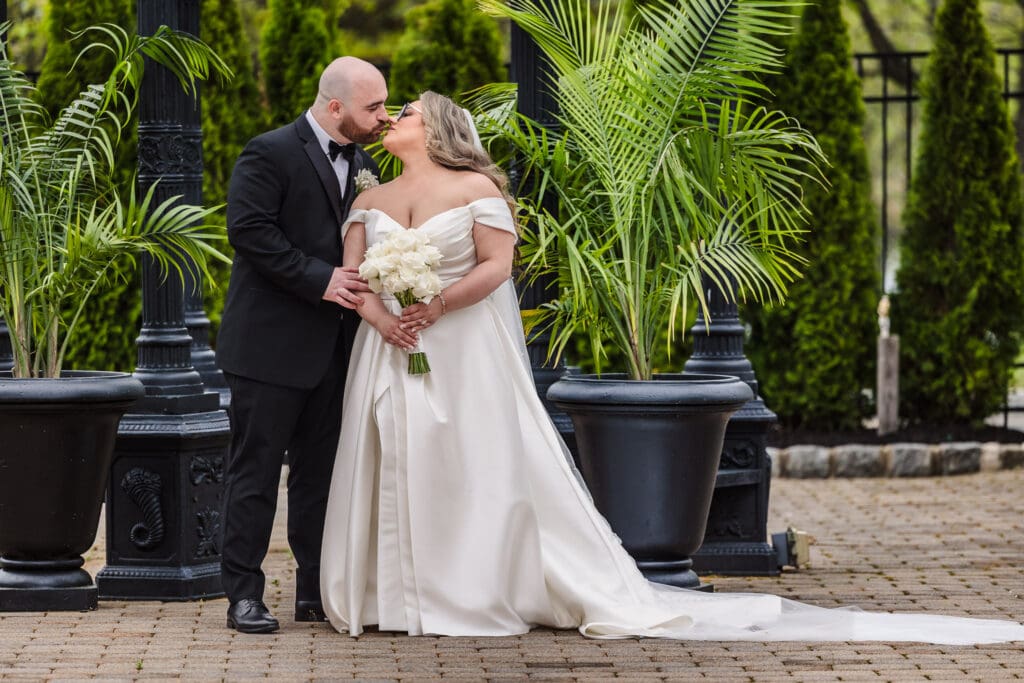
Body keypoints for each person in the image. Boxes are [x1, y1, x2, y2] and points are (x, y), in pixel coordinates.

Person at [319, 91, 1024, 644]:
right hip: (389, 353)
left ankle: (465, 589)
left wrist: (435, 306)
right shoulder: (369, 200)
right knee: (398, 459)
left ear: (437, 127)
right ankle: (392, 593)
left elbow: (500, 268)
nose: (393, 118)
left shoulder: (478, 191)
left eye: (405, 111)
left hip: (462, 350)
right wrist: (389, 321)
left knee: (469, 465)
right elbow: (353, 280)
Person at [215, 57, 389, 634]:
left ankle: (315, 591)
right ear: (334, 106)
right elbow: (249, 231)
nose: (383, 117)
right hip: (269, 348)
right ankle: (243, 595)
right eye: (374, 107)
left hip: (337, 351)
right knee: (255, 474)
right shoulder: (269, 151)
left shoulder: (364, 163)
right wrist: (322, 278)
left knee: (322, 477)